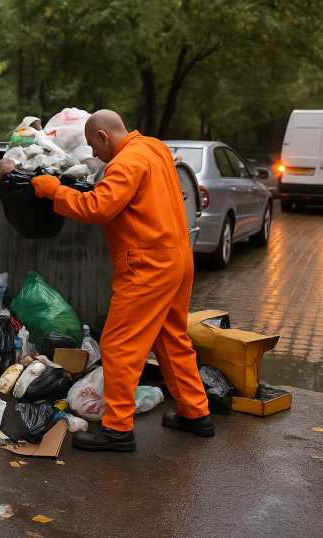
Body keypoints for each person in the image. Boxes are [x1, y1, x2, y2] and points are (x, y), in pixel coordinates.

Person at [23, 109, 213, 451]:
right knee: (171, 338)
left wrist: (54, 190)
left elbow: (98, 207)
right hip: (178, 257)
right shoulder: (154, 148)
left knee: (118, 343)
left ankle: (118, 429)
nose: (95, 156)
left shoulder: (125, 162)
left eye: (95, 149)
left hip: (147, 264)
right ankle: (196, 413)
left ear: (103, 137)